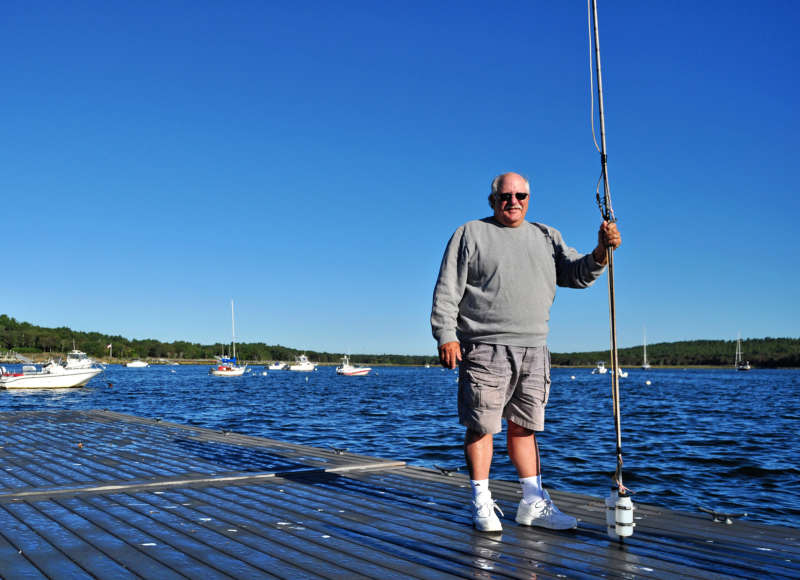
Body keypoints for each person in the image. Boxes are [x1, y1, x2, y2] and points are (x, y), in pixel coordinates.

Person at [430, 172, 621, 533]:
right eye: (505, 196)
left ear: (528, 199)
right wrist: (445, 335)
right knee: (481, 426)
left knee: (525, 428)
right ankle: (481, 502)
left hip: (535, 348)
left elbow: (576, 274)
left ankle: (532, 502)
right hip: (485, 347)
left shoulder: (547, 236)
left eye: (520, 195)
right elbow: (447, 290)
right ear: (493, 200)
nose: (513, 201)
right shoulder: (470, 233)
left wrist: (600, 252)